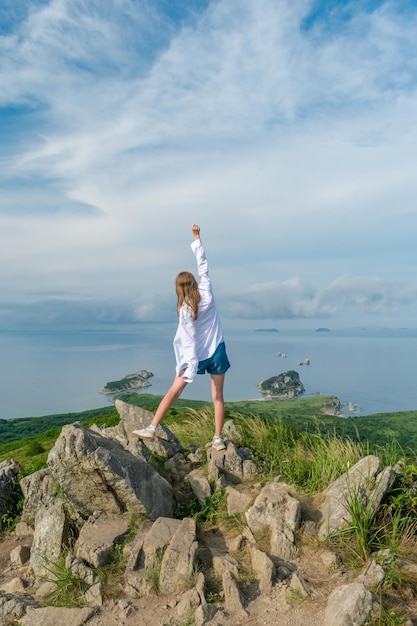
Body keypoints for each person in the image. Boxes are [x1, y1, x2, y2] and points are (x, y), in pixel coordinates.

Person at [132, 224, 230, 451]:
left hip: (196, 355)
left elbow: (188, 340)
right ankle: (218, 439)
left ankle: (152, 427)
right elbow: (203, 265)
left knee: (174, 391)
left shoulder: (185, 310)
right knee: (217, 397)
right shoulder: (207, 291)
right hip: (217, 350)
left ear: (179, 289)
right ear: (194, 283)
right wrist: (197, 238)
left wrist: (185, 364)